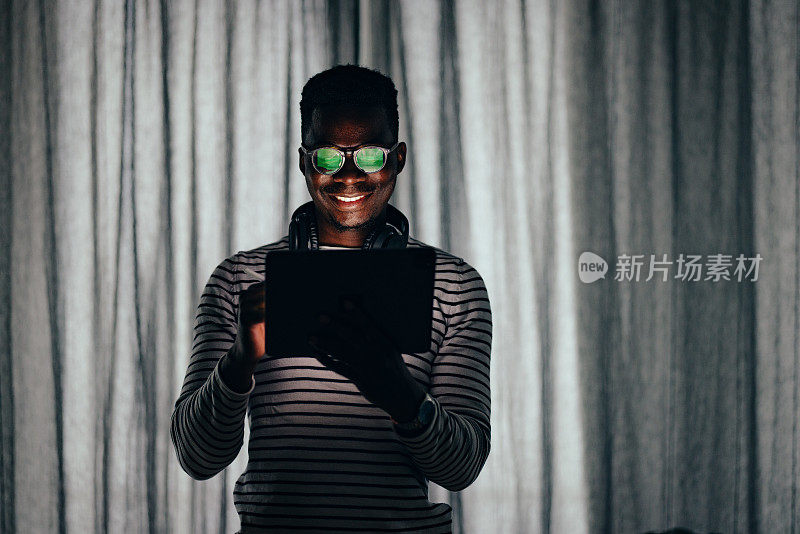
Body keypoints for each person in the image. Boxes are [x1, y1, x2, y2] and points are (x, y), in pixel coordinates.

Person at [170, 64, 492, 533]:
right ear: (304, 162)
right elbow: (197, 458)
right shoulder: (239, 279)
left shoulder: (454, 286)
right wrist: (240, 362)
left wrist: (398, 393)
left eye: (369, 157)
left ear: (398, 159)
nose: (347, 175)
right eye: (326, 157)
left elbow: (461, 470)